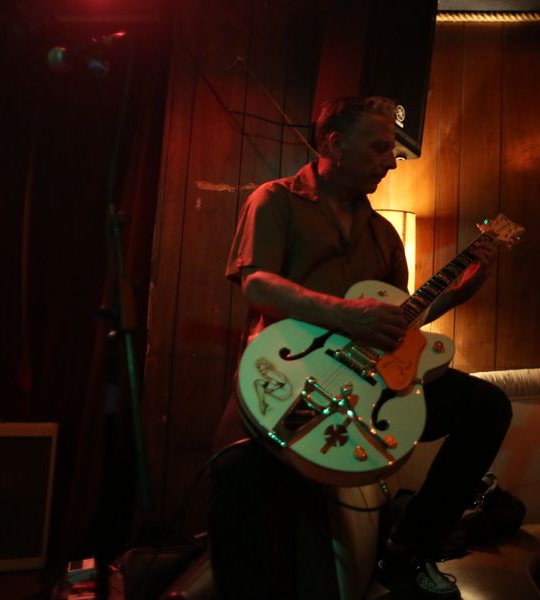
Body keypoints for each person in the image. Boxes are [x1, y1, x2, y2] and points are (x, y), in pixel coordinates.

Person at [208, 96, 512, 600]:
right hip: (287, 376)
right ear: (335, 144)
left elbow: (401, 319)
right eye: (379, 147)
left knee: (486, 405)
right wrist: (347, 314)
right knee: (235, 472)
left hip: (365, 384)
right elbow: (257, 284)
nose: (391, 161)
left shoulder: (383, 234)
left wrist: (462, 290)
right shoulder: (275, 199)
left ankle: (411, 549)